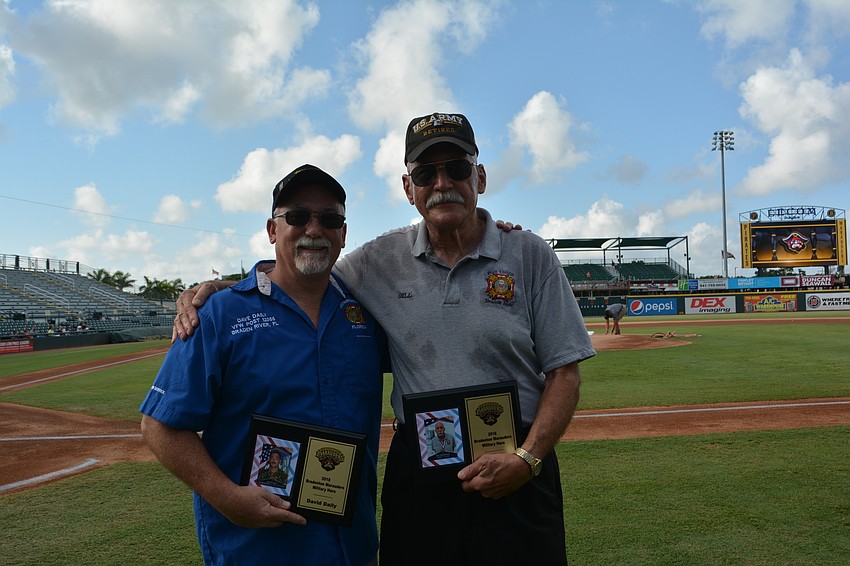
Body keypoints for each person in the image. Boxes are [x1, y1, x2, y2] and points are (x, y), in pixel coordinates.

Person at [175, 112, 596, 565]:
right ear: (408, 188)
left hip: (517, 463)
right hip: (421, 472)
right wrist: (226, 290)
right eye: (425, 174)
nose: (442, 183)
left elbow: (564, 373)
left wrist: (528, 459)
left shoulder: (530, 254)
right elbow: (302, 270)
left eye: (456, 168)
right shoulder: (377, 259)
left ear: (480, 177)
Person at [140, 165, 386, 566]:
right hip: (256, 549)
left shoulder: (365, 314)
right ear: (273, 230)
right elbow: (160, 426)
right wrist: (227, 498)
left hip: (352, 548)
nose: (314, 229)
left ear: (343, 233)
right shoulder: (219, 314)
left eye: (329, 219)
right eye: (297, 216)